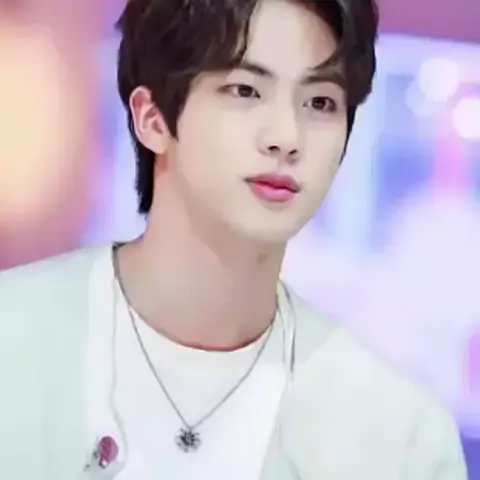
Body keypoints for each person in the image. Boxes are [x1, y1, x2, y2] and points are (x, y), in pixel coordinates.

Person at [0, 0, 466, 479]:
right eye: (245, 90)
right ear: (152, 118)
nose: (286, 138)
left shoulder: (399, 433)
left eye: (320, 102)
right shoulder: (15, 342)